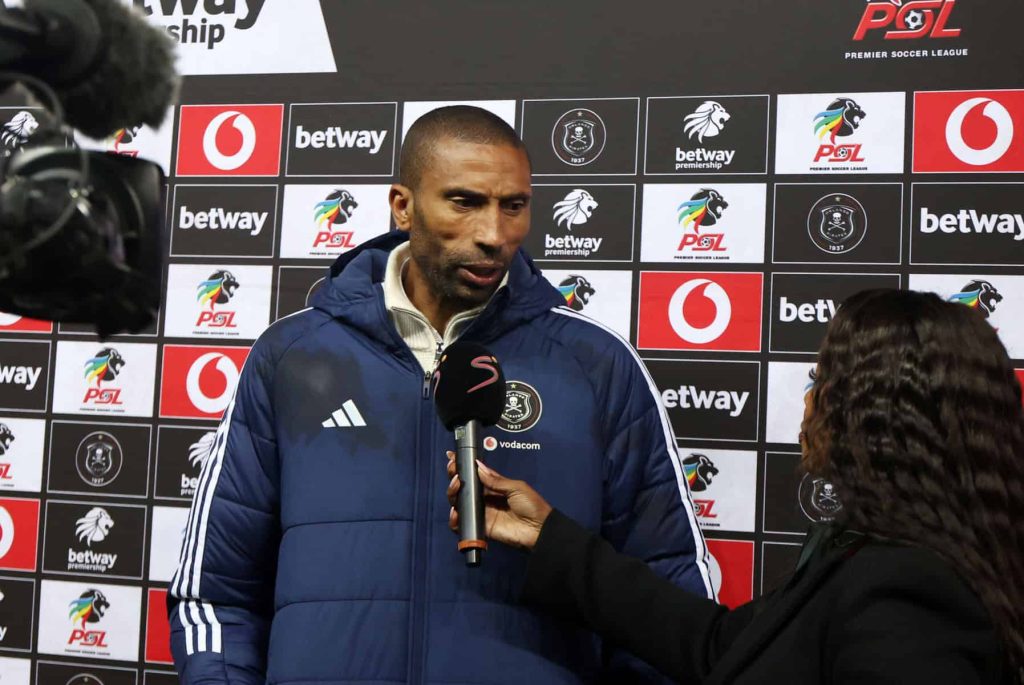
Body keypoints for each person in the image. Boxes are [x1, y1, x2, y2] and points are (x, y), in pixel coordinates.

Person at [167, 105, 712, 684]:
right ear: (403, 206)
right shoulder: (292, 356)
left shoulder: (597, 365)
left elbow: (668, 595)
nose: (493, 235)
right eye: (464, 202)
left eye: (514, 206)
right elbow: (214, 593)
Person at [448, 288, 1024, 684]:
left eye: (821, 382)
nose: (807, 403)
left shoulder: (906, 592)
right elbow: (720, 646)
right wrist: (549, 536)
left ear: (879, 420)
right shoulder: (871, 557)